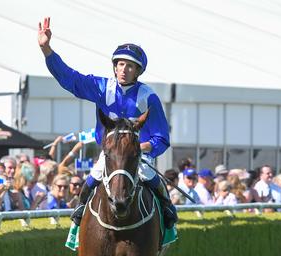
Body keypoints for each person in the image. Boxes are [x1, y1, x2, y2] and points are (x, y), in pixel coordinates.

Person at [38, 17, 177, 230]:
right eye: (120, 64)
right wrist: (47, 50)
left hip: (137, 155)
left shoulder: (148, 97)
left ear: (138, 71)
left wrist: (139, 148)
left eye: (130, 66)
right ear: (114, 67)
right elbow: (71, 79)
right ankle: (79, 216)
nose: (123, 70)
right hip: (110, 154)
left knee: (145, 174)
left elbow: (161, 138)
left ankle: (168, 211)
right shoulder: (102, 87)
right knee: (93, 177)